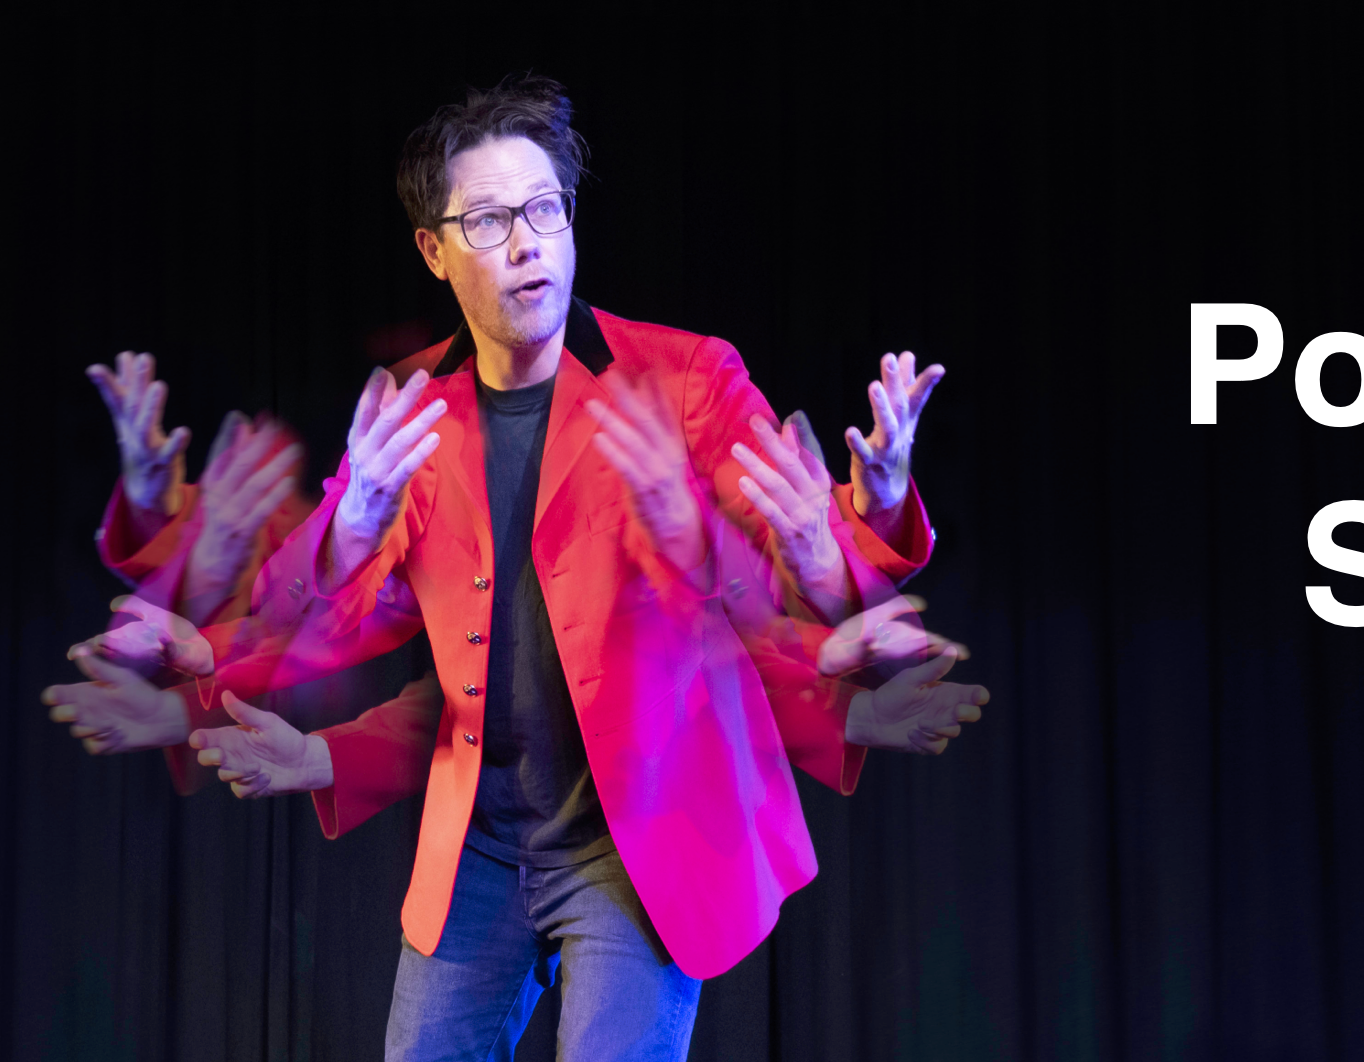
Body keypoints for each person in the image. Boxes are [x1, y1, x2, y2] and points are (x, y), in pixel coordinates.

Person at [50, 74, 986, 1060]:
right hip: (482, 849)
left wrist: (876, 502)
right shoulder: (414, 406)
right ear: (434, 250)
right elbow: (327, 616)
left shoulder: (683, 378)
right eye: (489, 221)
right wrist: (323, 547)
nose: (529, 243)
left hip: (640, 843)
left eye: (545, 209)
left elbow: (795, 558)